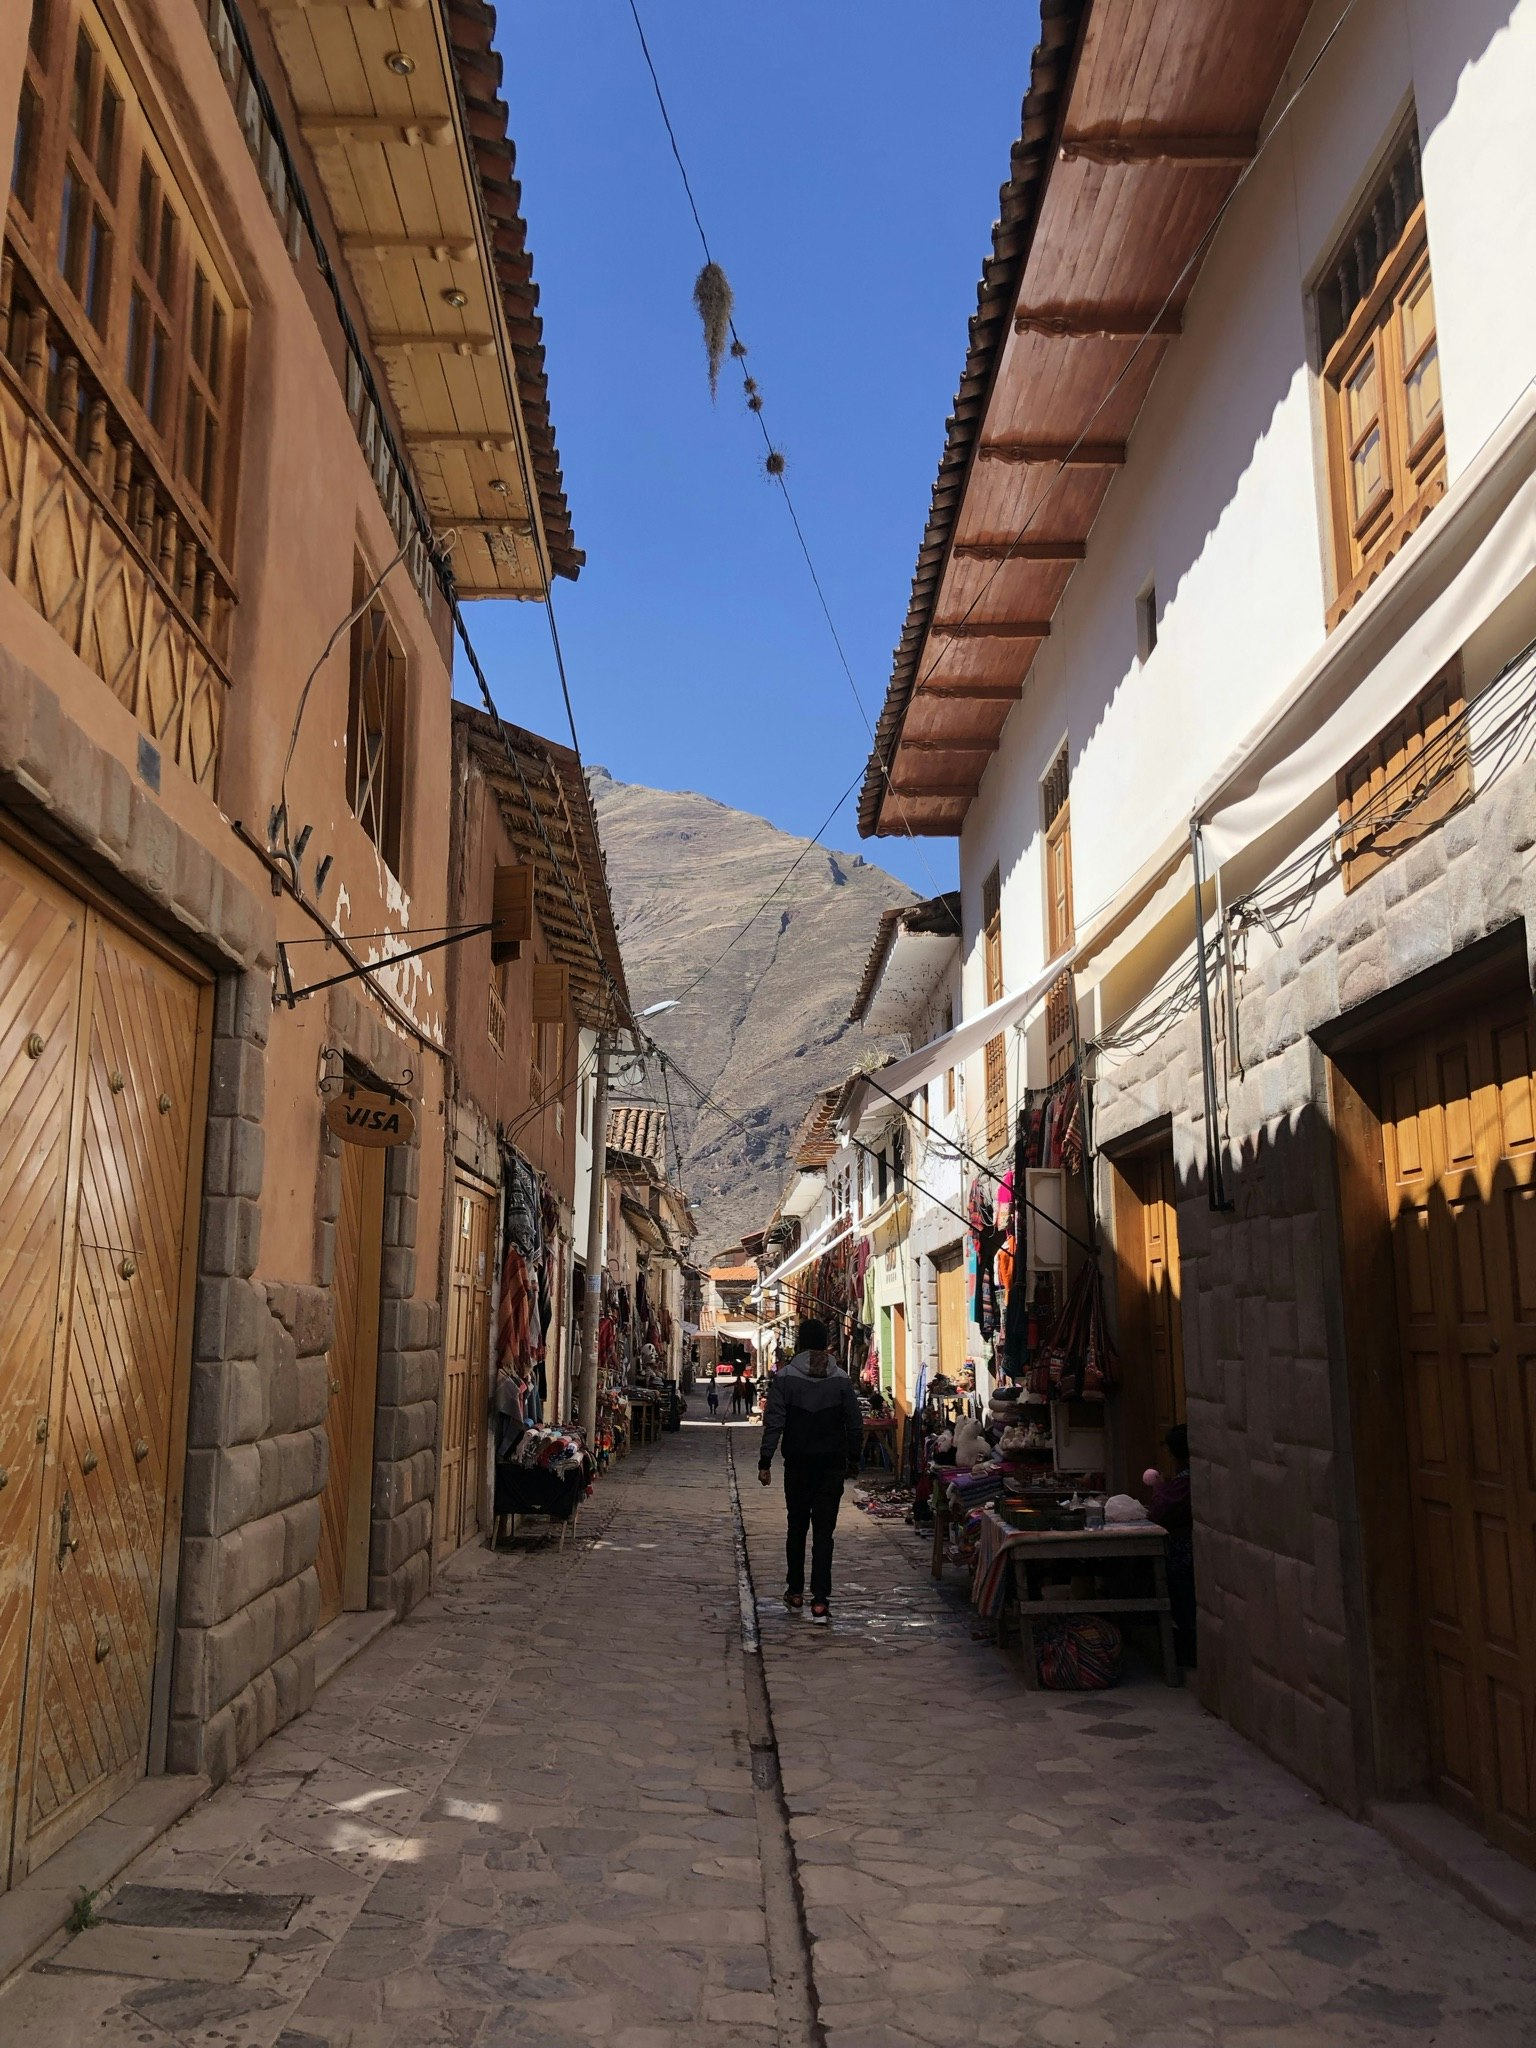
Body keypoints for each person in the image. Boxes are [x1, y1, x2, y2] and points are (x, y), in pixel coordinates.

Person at [757, 1318, 863, 1624]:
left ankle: (795, 1591)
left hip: (799, 1465)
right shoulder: (841, 1379)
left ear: (801, 1343)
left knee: (797, 1527)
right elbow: (854, 1423)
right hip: (831, 1466)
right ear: (825, 1345)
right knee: (824, 1534)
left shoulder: (785, 1378)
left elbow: (774, 1422)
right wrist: (853, 1460)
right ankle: (820, 1599)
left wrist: (765, 1461)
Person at [1147, 1422, 1196, 1666]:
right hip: (1186, 1551)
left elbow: (1160, 1511)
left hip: (1184, 1553)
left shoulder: (1182, 1485)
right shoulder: (1182, 1482)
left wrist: (1158, 1488)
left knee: (1183, 1598)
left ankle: (1187, 1649)